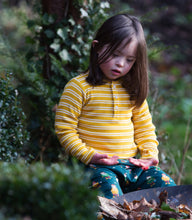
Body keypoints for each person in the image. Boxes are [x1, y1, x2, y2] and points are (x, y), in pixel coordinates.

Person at [55, 14, 176, 199]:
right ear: (96, 47)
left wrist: (149, 155)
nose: (120, 64)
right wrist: (90, 155)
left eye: (129, 60)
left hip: (133, 167)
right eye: (115, 54)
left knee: (168, 188)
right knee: (112, 198)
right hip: (96, 168)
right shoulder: (78, 88)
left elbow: (145, 129)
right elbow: (65, 130)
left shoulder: (132, 89)